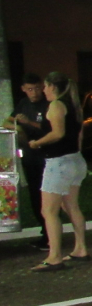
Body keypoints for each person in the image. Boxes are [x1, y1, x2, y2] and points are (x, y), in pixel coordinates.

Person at [27, 72, 88, 271]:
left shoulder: (56, 106)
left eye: (44, 86)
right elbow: (77, 136)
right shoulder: (73, 105)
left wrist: (37, 143)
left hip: (59, 162)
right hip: (75, 160)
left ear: (53, 86)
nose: (43, 90)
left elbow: (57, 133)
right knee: (71, 206)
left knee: (48, 211)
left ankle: (54, 256)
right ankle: (80, 248)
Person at [3, 74, 50, 250]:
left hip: (45, 156)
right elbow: (8, 121)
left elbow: (50, 128)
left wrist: (28, 122)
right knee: (34, 195)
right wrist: (20, 128)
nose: (34, 92)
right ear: (23, 89)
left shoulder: (48, 104)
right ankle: (44, 232)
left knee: (47, 196)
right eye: (30, 89)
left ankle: (50, 235)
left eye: (37, 88)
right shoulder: (23, 103)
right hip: (29, 157)